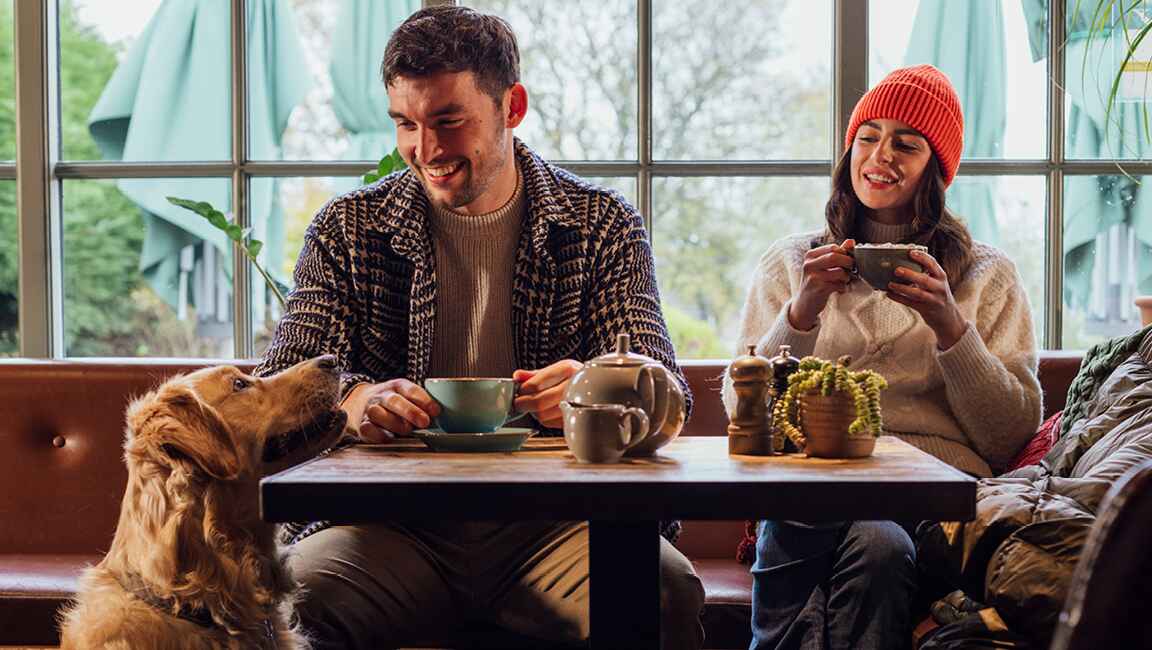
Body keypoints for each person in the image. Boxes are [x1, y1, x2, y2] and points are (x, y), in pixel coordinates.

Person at [255, 5, 705, 649]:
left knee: (660, 592)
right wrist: (356, 401)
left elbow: (669, 399)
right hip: (390, 530)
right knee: (298, 603)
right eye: (406, 124)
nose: (426, 150)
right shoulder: (347, 230)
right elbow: (278, 389)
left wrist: (594, 388)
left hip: (558, 526)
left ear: (511, 106)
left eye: (449, 120)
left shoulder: (602, 223)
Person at [723, 64, 1042, 650]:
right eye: (868, 136)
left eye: (907, 143)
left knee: (879, 542)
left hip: (932, 496)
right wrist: (802, 311)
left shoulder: (985, 276)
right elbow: (743, 410)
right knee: (860, 538)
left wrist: (950, 326)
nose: (880, 155)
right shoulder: (793, 263)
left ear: (937, 170)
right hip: (815, 481)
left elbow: (1008, 436)